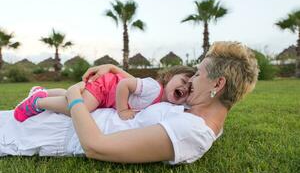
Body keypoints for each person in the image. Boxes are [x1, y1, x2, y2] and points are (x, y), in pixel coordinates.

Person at [0, 41, 259, 164]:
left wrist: (73, 96)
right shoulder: (198, 110)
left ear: (218, 84)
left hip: (60, 131)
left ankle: (40, 100)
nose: (192, 79)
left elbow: (95, 146)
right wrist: (113, 68)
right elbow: (147, 91)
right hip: (70, 117)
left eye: (199, 74)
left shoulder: (191, 130)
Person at [13, 65, 195, 121]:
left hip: (107, 95)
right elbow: (124, 84)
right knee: (80, 109)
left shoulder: (163, 99)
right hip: (105, 87)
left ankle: (43, 91)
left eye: (189, 90)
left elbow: (128, 77)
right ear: (170, 77)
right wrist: (122, 110)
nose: (185, 88)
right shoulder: (154, 88)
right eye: (183, 81)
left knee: (73, 94)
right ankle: (38, 102)